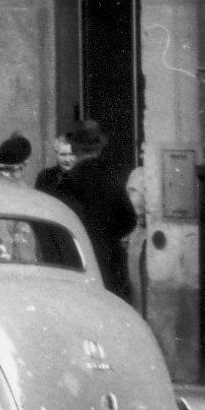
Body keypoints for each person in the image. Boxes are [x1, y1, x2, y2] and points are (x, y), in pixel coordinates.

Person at [63, 121, 138, 300]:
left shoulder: (69, 180)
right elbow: (129, 219)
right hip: (111, 259)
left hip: (79, 258)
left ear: (74, 149)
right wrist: (108, 235)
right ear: (99, 149)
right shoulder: (111, 176)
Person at [34, 132, 79, 196]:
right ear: (56, 155)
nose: (67, 159)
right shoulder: (45, 177)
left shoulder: (86, 177)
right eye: (63, 155)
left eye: (72, 154)